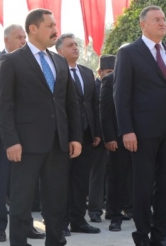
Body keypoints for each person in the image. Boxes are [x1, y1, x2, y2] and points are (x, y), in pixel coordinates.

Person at [0, 8, 82, 246]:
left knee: (56, 200)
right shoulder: (12, 60)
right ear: (33, 29)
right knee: (21, 202)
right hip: (25, 144)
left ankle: (56, 241)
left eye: (55, 25)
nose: (55, 30)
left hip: (58, 142)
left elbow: (70, 103)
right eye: (49, 26)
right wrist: (11, 141)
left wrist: (75, 136)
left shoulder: (59, 61)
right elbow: (3, 105)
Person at [113, 5, 166, 246]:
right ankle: (142, 235)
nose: (162, 23)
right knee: (143, 186)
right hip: (142, 131)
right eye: (156, 19)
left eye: (164, 19)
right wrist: (127, 129)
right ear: (142, 25)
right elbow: (121, 95)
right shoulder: (129, 53)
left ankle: (160, 236)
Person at [0, 24, 46, 242]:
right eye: (18, 37)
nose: (23, 41)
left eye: (24, 37)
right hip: (0, 133)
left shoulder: (32, 60)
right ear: (6, 40)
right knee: (1, 181)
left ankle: (25, 225)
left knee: (24, 184)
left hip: (27, 134)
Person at [56, 33, 102, 236]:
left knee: (81, 180)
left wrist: (96, 131)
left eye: (76, 44)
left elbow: (93, 104)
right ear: (59, 51)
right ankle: (61, 222)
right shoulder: (56, 72)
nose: (75, 48)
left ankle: (78, 220)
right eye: (70, 45)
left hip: (86, 135)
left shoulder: (86, 72)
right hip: (64, 135)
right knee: (62, 181)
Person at [99, 55, 133, 232]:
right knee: (116, 178)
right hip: (117, 139)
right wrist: (109, 137)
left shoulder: (138, 79)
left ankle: (130, 209)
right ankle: (114, 215)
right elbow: (105, 112)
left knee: (133, 178)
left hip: (138, 137)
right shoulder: (110, 79)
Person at [88, 54, 115, 223]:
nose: (111, 74)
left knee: (115, 175)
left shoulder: (118, 86)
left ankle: (116, 208)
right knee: (97, 175)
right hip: (98, 137)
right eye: (109, 71)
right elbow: (94, 114)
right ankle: (95, 210)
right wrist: (98, 134)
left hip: (115, 136)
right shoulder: (93, 87)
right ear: (99, 72)